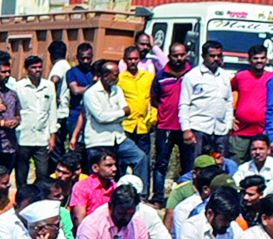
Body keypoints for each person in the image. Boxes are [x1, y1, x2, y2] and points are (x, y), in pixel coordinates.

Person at [74, 60, 133, 186]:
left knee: (139, 158)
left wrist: (117, 114)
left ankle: (140, 195)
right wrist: (121, 113)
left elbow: (127, 111)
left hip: (117, 138)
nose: (118, 78)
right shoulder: (91, 93)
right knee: (98, 175)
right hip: (98, 140)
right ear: (105, 76)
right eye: (115, 75)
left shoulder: (117, 90)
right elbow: (100, 117)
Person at [13, 52, 67, 189]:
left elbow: (52, 112)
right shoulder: (19, 87)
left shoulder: (48, 86)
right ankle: (22, 196)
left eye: (39, 67)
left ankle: (40, 196)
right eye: (33, 67)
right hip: (23, 136)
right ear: (27, 70)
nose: (37, 70)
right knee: (21, 172)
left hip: (42, 137)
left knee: (43, 172)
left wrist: (52, 136)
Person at [178, 40, 233, 169]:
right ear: (203, 56)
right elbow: (184, 104)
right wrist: (186, 129)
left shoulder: (225, 76)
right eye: (212, 56)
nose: (216, 59)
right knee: (196, 165)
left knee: (219, 166)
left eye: (219, 56)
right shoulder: (192, 76)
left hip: (220, 130)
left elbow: (229, 102)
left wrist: (228, 125)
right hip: (198, 129)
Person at [116, 45, 159, 192]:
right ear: (125, 61)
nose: (133, 62)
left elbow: (153, 99)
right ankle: (121, 190)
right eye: (130, 59)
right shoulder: (120, 79)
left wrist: (153, 117)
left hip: (143, 125)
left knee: (144, 160)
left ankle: (143, 192)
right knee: (122, 160)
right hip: (126, 125)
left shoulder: (147, 77)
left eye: (135, 59)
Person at [151, 41, 191, 197]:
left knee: (188, 164)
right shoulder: (161, 75)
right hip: (166, 125)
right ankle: (158, 197)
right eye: (175, 55)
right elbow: (154, 98)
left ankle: (186, 196)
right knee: (161, 163)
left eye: (182, 55)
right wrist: (164, 108)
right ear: (169, 57)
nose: (179, 58)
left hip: (186, 126)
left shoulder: (193, 74)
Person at [227, 46, 272, 162]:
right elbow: (225, 94)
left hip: (262, 132)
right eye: (256, 58)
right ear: (249, 60)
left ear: (267, 60)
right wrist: (229, 117)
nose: (259, 61)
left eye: (262, 58)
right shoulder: (241, 77)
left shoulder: (272, 78)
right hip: (240, 131)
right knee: (236, 163)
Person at [232, 134, 273, 206]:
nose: (257, 152)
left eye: (261, 149)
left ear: (269, 150)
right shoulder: (243, 168)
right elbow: (236, 187)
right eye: (254, 149)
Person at [70, 147, 119, 224]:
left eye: (114, 165)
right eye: (109, 165)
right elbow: (79, 219)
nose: (114, 169)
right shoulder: (82, 187)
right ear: (95, 168)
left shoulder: (116, 188)